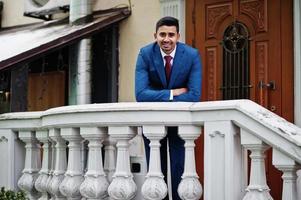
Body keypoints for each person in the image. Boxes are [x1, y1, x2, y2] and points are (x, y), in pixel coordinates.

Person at [135, 16, 202, 200]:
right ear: (155, 35)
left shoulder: (191, 56)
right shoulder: (145, 54)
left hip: (181, 126)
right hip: (152, 125)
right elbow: (140, 94)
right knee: (157, 173)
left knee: (180, 172)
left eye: (171, 35)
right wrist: (173, 93)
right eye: (162, 34)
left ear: (178, 36)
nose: (166, 39)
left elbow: (195, 95)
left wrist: (156, 97)